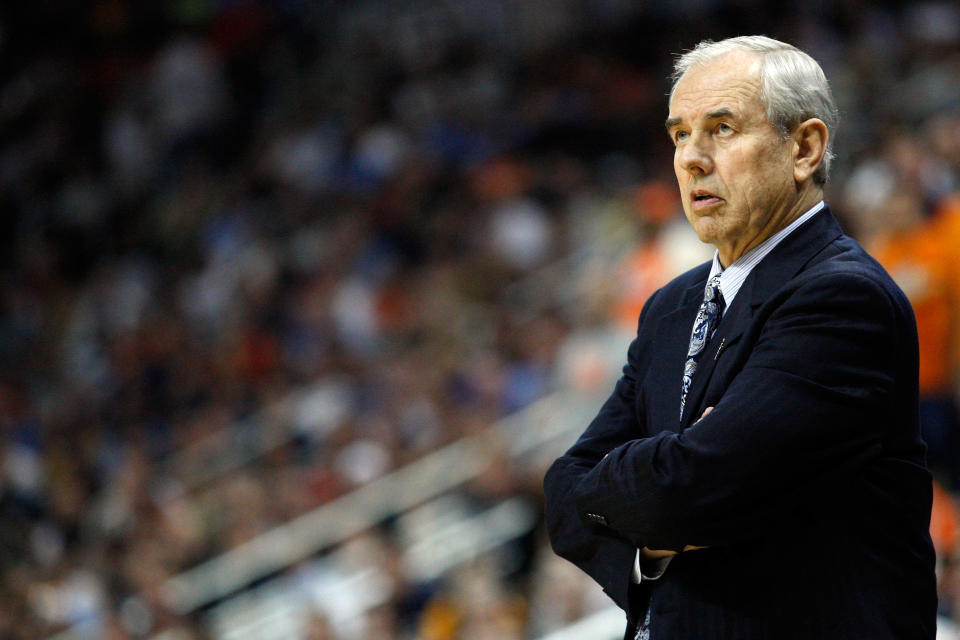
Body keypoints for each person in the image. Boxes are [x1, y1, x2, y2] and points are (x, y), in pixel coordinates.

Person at [543, 36, 938, 639]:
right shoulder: (670, 307)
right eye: (679, 134)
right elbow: (565, 491)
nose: (691, 159)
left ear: (804, 148)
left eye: (722, 129)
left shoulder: (843, 299)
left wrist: (647, 491)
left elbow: (689, 486)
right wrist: (651, 548)